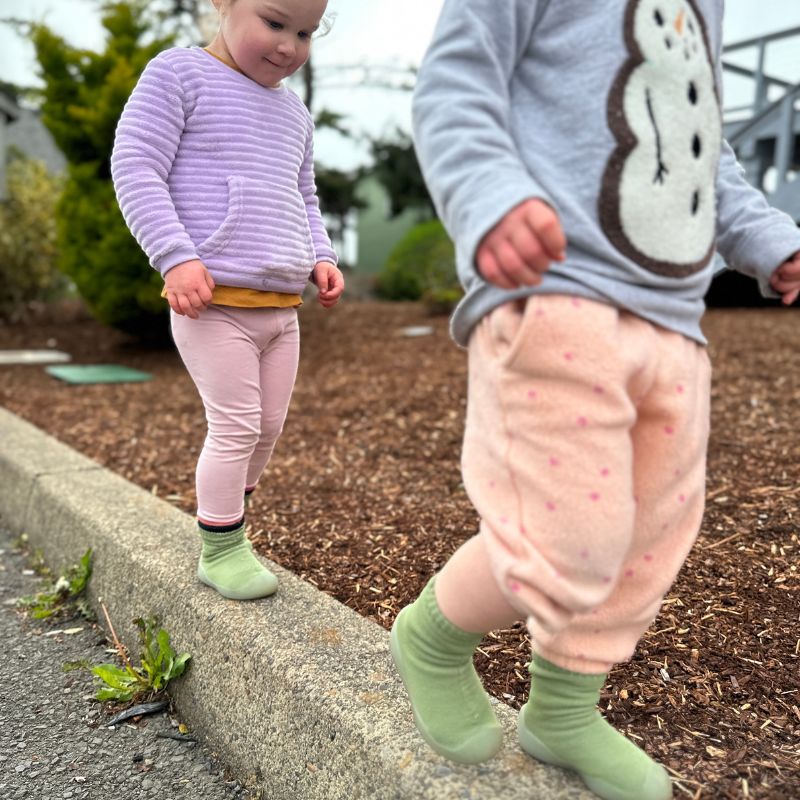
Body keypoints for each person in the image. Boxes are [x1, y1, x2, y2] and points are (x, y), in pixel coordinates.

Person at [390, 2, 800, 799]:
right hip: (555, 296)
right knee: (568, 539)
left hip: (676, 326)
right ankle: (434, 637)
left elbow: (700, 143)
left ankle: (564, 708)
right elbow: (454, 85)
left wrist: (766, 237)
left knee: (650, 537)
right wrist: (488, 197)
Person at [111, 0, 343, 601]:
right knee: (237, 426)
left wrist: (322, 255)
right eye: (274, 22)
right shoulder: (178, 75)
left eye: (305, 32)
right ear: (224, 4)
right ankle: (221, 546)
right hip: (213, 303)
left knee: (267, 429)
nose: (289, 45)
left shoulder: (295, 114)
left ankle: (229, 521)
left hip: (280, 309)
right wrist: (175, 255)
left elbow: (304, 198)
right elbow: (136, 166)